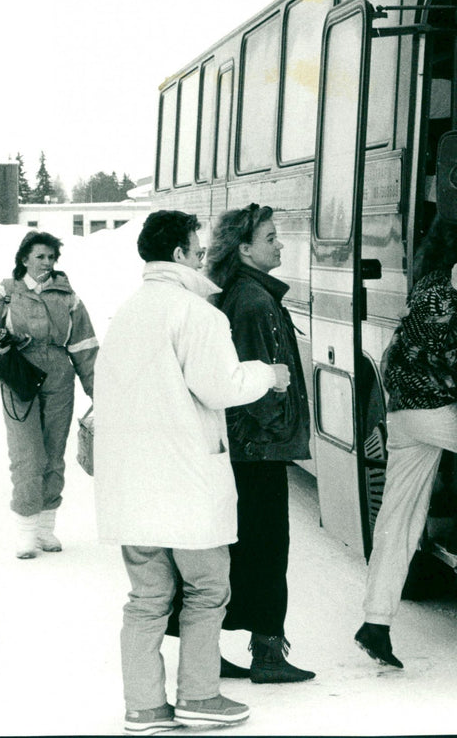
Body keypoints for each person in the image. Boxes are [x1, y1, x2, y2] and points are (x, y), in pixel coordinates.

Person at [93, 210, 290, 734]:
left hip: (131, 488)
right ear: (179, 255)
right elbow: (221, 386)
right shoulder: (198, 314)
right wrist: (267, 374)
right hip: (185, 484)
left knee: (147, 599)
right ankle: (200, 697)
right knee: (207, 591)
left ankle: (144, 708)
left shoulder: (128, 312)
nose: (205, 258)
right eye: (198, 251)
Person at [195, 203, 315, 684]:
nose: (280, 244)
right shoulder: (254, 301)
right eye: (270, 238)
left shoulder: (241, 293)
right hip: (258, 450)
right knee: (266, 551)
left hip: (245, 450)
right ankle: (267, 652)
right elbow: (253, 382)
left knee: (239, 550)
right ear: (244, 249)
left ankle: (208, 648)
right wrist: (278, 427)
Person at [355, 217, 457, 670]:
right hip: (435, 411)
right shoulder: (444, 287)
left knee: (398, 520)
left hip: (402, 415)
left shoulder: (423, 286)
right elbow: (438, 343)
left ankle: (375, 622)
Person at [0, 230, 98, 559]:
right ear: (24, 259)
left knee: (54, 454)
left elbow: (85, 345)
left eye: (51, 257)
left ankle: (46, 529)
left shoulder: (68, 296)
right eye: (40, 256)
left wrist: (96, 390)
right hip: (20, 377)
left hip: (60, 377)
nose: (46, 262)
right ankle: (26, 532)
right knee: (27, 455)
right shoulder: (5, 291)